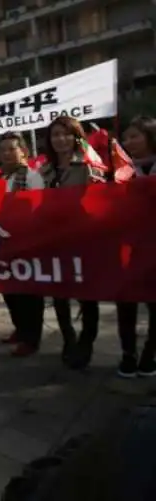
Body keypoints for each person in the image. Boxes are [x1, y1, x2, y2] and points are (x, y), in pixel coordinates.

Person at [39, 116, 104, 370]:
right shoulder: (43, 171)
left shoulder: (90, 166)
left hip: (84, 241)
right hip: (55, 241)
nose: (60, 139)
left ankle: (87, 342)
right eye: (55, 135)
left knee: (88, 296)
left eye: (66, 134)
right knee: (60, 295)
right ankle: (69, 338)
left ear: (77, 136)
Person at [0, 131, 46, 357]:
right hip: (3, 241)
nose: (6, 154)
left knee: (29, 294)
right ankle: (20, 328)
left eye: (11, 149)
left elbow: (38, 209)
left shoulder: (33, 177)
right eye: (3, 150)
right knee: (10, 291)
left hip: (26, 241)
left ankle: (31, 338)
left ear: (23, 151)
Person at [115, 116, 156, 378]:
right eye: (126, 137)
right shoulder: (120, 169)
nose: (129, 142)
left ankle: (149, 355)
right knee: (126, 303)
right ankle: (127, 354)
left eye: (135, 136)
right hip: (128, 247)